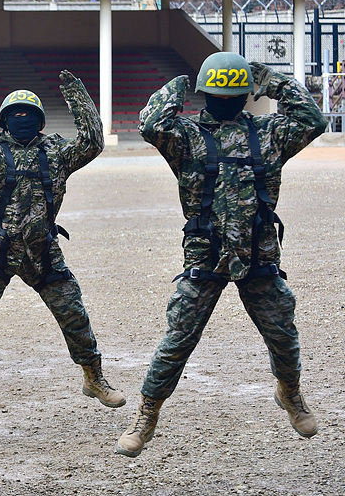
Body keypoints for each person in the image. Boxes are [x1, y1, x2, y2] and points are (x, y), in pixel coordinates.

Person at [115, 52, 329, 458]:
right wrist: (179, 83)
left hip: (259, 253)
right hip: (206, 254)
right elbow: (150, 124)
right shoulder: (186, 137)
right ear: (204, 96)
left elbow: (313, 121)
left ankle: (291, 394)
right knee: (178, 340)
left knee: (283, 335)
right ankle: (146, 415)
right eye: (217, 93)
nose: (225, 101)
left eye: (232, 94)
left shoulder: (269, 133)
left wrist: (268, 77)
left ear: (247, 96)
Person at [0, 70, 126, 426]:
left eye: (28, 114)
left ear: (40, 121)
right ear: (3, 121)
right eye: (15, 114)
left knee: (74, 314)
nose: (22, 119)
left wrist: (76, 93)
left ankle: (93, 378)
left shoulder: (58, 152)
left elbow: (93, 142)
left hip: (43, 250)